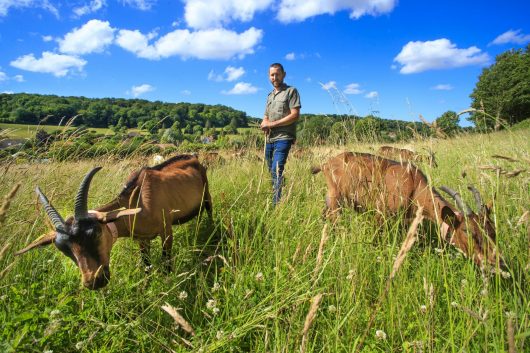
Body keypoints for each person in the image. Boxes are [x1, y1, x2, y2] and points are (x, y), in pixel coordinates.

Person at [260, 63, 301, 205]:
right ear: (269, 76)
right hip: (269, 138)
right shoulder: (270, 95)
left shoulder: (291, 91)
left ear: (284, 74)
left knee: (276, 169)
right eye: (272, 75)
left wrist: (272, 124)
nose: (275, 77)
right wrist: (264, 123)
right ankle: (280, 188)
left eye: (277, 74)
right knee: (271, 169)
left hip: (284, 137)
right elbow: (266, 115)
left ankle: (275, 205)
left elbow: (295, 115)